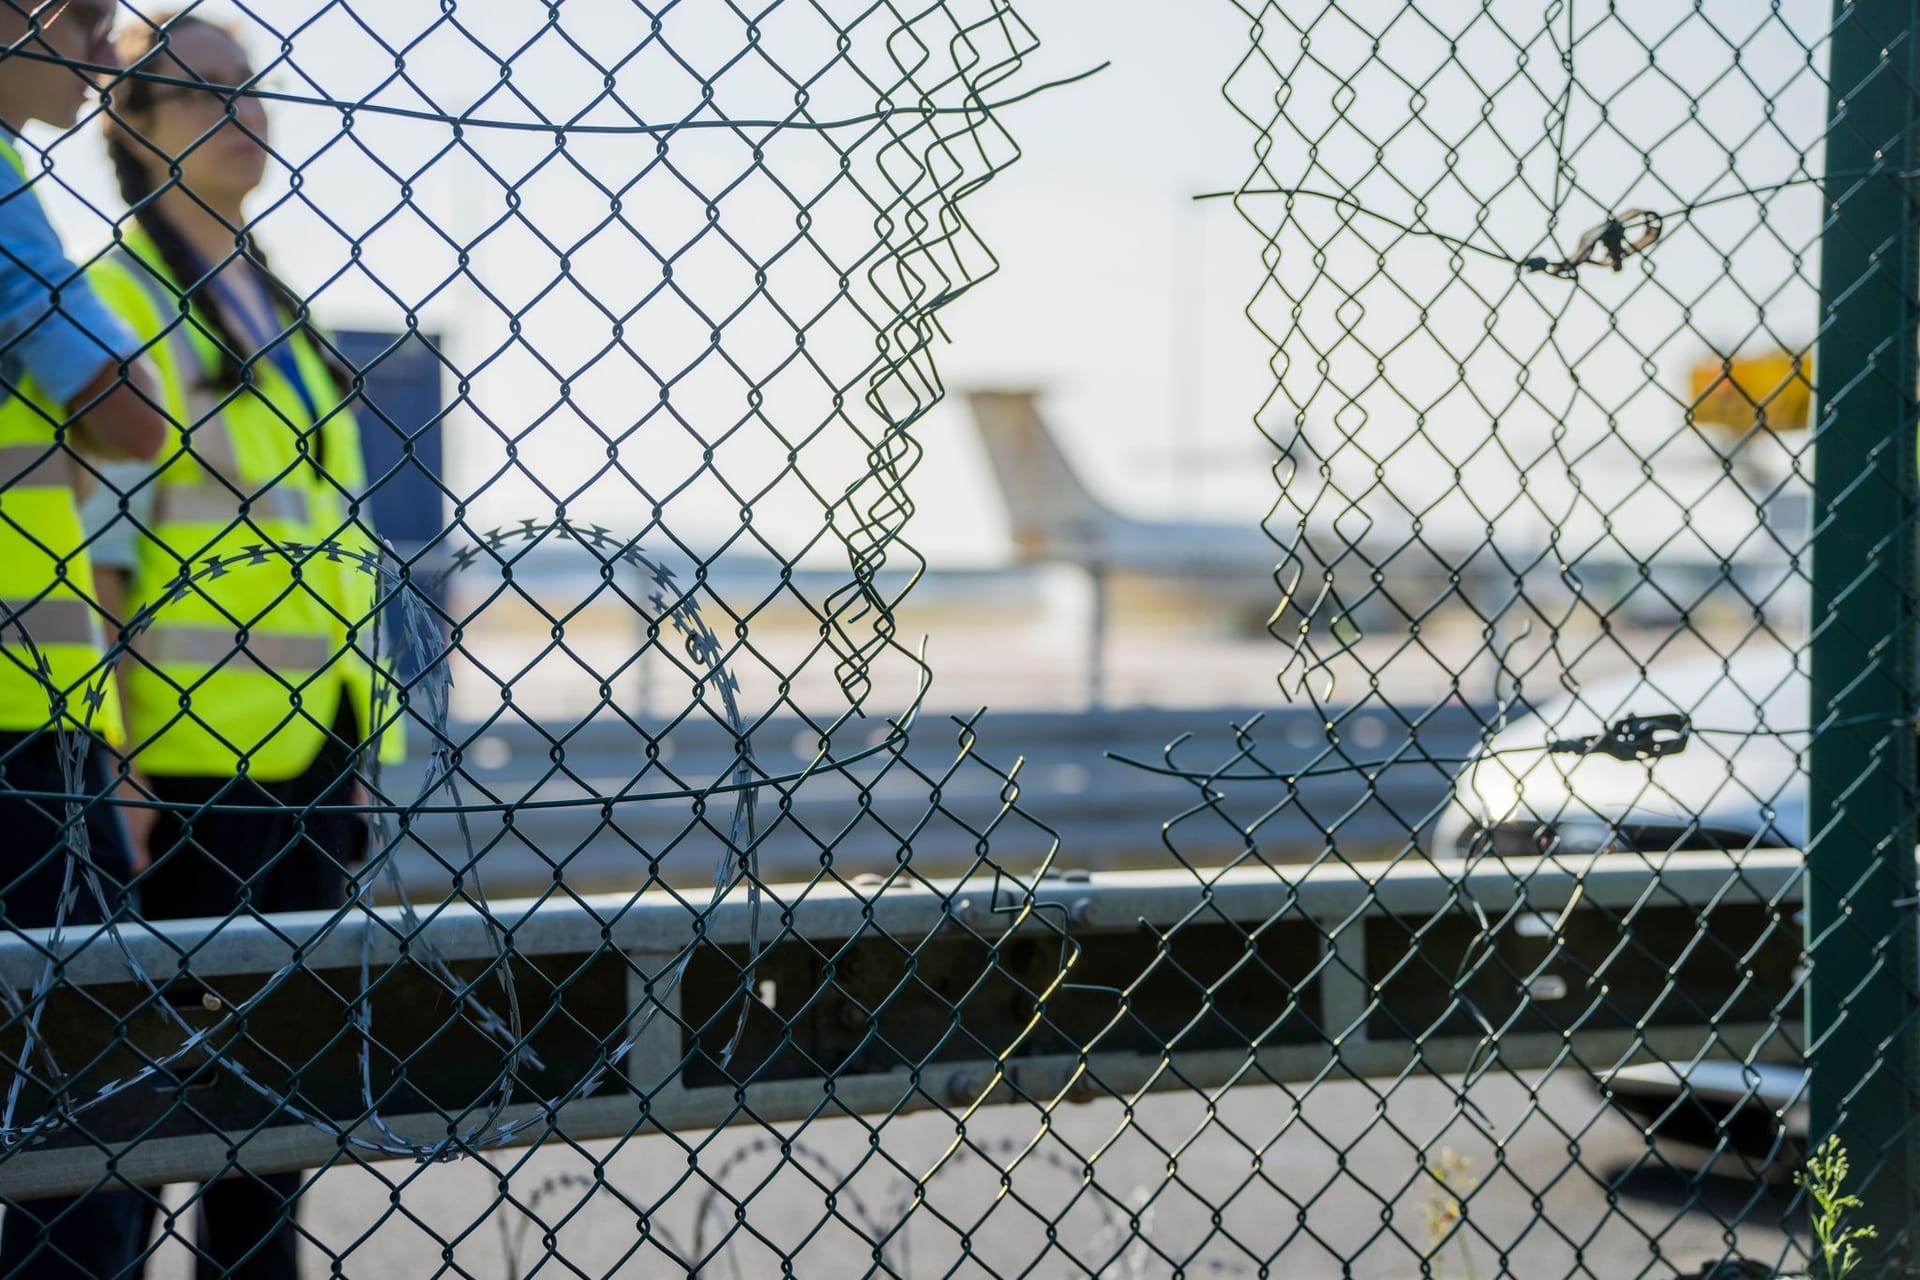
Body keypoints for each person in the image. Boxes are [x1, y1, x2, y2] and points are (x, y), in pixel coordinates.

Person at [80, 12, 399, 1277]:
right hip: (180, 774)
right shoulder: (116, 295)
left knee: (270, 1132)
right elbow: (96, 553)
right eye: (204, 92)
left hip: (308, 761)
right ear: (134, 123)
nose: (245, 113)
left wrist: (355, 745)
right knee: (126, 1133)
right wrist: (115, 766)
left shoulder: (277, 304)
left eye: (251, 88)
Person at [0, 0, 171, 1276]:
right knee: (96, 1135)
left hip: (52, 720)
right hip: (20, 738)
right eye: (92, 14)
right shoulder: (7, 188)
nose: (109, 49)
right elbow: (128, 410)